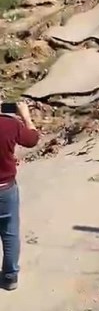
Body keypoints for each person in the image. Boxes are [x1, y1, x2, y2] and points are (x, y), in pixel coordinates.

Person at [0, 99, 39, 291]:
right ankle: (10, 277)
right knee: (10, 233)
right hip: (5, 188)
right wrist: (26, 117)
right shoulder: (10, 124)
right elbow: (32, 140)